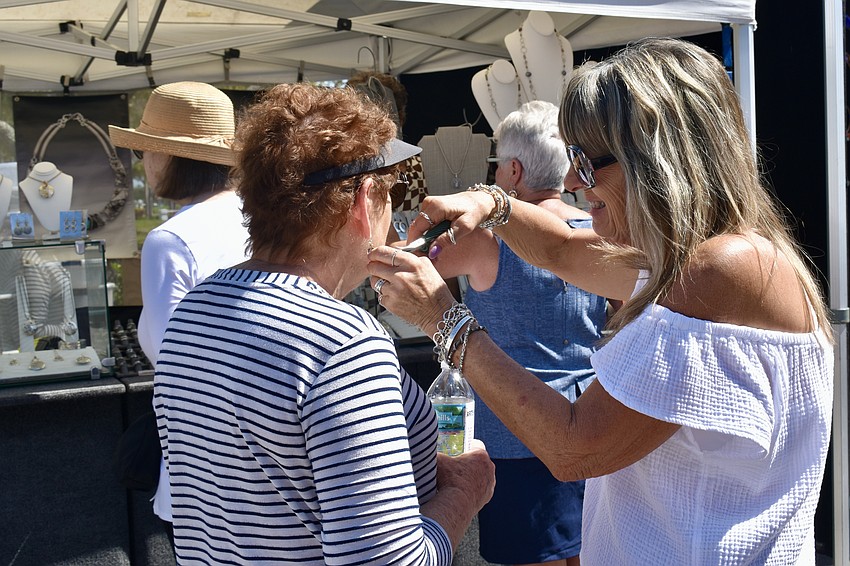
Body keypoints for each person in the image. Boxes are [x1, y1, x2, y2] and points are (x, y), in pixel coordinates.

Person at [368, 37, 833, 565]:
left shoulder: (717, 269)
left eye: (587, 164)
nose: (570, 181)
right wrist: (490, 201)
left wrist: (444, 320)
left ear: (654, 161)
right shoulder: (708, 258)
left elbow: (575, 447)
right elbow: (561, 249)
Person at [153, 82, 495, 564]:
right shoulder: (342, 343)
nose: (393, 218)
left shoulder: (194, 312)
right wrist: (463, 491)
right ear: (363, 199)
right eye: (389, 194)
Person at [426, 100, 607, 566]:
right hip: (590, 417)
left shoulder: (487, 239)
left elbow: (414, 262)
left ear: (513, 170)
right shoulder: (597, 230)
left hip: (514, 430)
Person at [109, 80, 251, 525]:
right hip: (270, 456)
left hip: (204, 468)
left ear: (171, 155)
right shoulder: (261, 218)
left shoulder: (171, 240)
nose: (143, 163)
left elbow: (179, 365)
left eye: (144, 149)